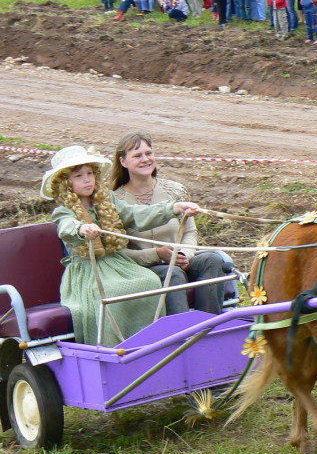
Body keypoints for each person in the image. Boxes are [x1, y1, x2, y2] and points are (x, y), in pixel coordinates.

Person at [41, 145, 200, 346]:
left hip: (117, 264)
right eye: (79, 176)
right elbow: (66, 228)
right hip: (89, 271)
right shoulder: (63, 211)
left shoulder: (106, 201)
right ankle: (114, 347)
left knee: (149, 282)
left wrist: (173, 208)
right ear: (65, 183)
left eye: (90, 173)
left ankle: (152, 343)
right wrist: (82, 229)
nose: (87, 179)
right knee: (115, 293)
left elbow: (136, 214)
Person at [111, 133, 226, 316]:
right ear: (123, 162)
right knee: (173, 273)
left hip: (178, 261)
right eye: (137, 155)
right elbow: (120, 253)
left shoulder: (175, 191)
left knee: (212, 260)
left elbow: (190, 231)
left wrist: (184, 255)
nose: (145, 159)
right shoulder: (115, 201)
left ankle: (208, 326)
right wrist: (156, 254)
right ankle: (180, 335)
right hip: (144, 268)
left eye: (149, 153)